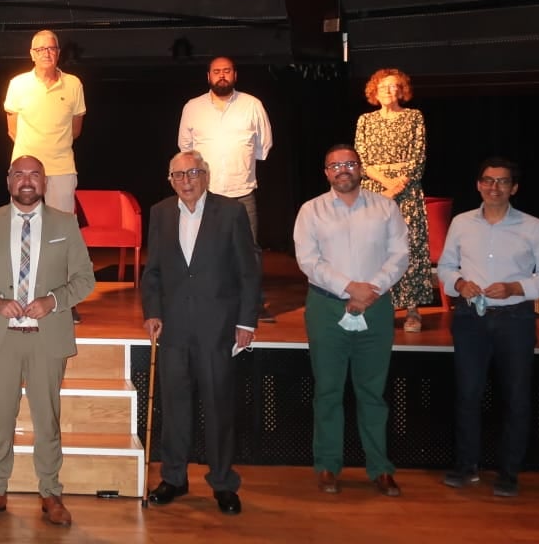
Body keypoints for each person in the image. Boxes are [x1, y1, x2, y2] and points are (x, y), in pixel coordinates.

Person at [0, 155, 95, 527]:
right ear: (8, 181)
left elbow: (85, 278)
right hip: (0, 336)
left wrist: (53, 301)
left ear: (45, 182)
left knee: (47, 421)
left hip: (46, 338)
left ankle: (50, 492)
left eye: (35, 174)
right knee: (0, 420)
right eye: (19, 174)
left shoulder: (65, 223)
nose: (27, 180)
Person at [141, 150, 260, 515]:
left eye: (193, 173)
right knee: (174, 408)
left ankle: (223, 483)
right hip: (173, 327)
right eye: (178, 175)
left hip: (217, 328)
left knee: (219, 408)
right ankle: (174, 477)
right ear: (170, 180)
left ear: (206, 175)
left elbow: (248, 270)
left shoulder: (231, 212)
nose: (186, 181)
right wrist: (152, 312)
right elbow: (153, 270)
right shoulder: (161, 212)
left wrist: (246, 321)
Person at [437, 158, 539, 498]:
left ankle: (509, 472)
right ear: (478, 185)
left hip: (515, 320)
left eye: (503, 181)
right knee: (467, 395)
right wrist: (459, 283)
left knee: (516, 397)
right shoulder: (461, 223)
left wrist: (515, 288)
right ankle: (466, 466)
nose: (494, 187)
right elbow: (445, 267)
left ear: (514, 188)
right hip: (470, 320)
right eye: (488, 181)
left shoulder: (533, 227)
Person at [293, 145, 408, 497]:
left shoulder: (386, 208)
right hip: (327, 308)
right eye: (335, 165)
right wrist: (348, 287)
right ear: (326, 172)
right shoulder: (311, 210)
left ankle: (380, 468)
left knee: (372, 392)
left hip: (376, 306)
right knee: (328, 390)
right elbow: (308, 260)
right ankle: (328, 465)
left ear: (360, 168)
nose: (342, 169)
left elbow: (400, 254)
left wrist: (371, 290)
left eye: (349, 164)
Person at [178, 56, 275, 322]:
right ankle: (202, 299)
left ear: (235, 75)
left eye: (227, 71)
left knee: (249, 250)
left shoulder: (252, 105)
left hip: (241, 190)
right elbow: (185, 148)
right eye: (217, 71)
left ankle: (253, 304)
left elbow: (263, 146)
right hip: (205, 194)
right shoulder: (193, 107)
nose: (222, 75)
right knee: (201, 247)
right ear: (208, 76)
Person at [3, 29, 86, 323]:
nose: (46, 53)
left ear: (58, 52)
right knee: (23, 233)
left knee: (61, 237)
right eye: (40, 49)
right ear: (31, 54)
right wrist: (31, 159)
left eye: (51, 48)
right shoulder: (18, 84)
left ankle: (62, 299)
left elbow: (76, 129)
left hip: (61, 168)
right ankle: (22, 296)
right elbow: (12, 128)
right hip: (26, 171)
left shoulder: (73, 84)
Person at [355, 68, 431, 333]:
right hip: (374, 192)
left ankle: (412, 310)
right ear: (374, 92)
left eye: (394, 86)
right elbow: (362, 161)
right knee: (374, 250)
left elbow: (418, 158)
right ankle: (377, 308)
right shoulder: (365, 120)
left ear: (402, 91)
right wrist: (386, 185)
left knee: (407, 247)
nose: (388, 91)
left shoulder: (414, 117)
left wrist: (397, 186)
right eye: (383, 86)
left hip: (406, 192)